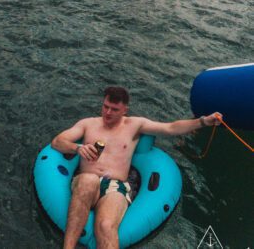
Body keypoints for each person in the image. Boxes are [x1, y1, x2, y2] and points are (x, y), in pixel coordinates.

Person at [52, 86, 221, 249]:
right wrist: (78, 148)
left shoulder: (135, 125)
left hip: (116, 187)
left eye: (114, 109)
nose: (108, 113)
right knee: (88, 181)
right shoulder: (88, 124)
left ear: (125, 109)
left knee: (106, 225)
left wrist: (203, 121)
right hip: (87, 179)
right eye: (105, 107)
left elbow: (170, 128)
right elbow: (58, 141)